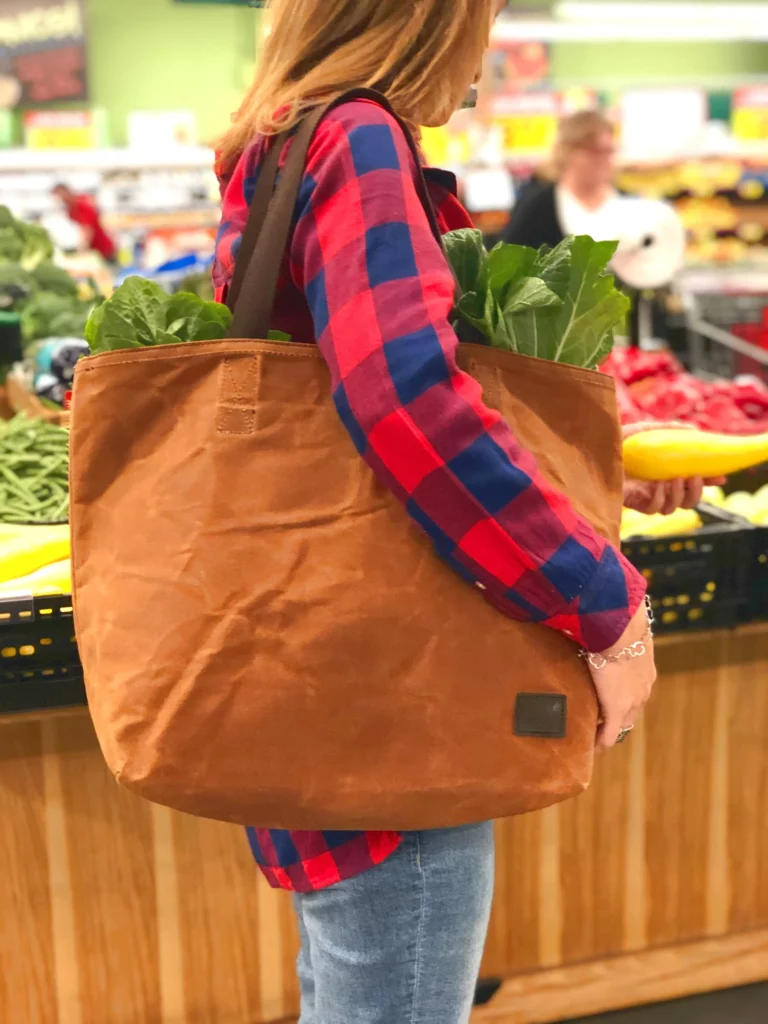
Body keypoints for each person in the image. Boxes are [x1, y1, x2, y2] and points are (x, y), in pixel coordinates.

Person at [214, 3, 704, 1021]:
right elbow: (404, 393)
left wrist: (589, 467)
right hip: (393, 703)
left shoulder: (284, 135)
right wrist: (605, 602)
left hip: (310, 668)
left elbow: (357, 384)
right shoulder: (360, 138)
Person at [502, 109, 621, 250]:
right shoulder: (537, 206)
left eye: (609, 151)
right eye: (594, 151)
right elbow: (509, 255)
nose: (603, 159)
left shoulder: (629, 203)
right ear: (568, 151)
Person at [52, 183, 117, 263]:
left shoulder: (81, 205)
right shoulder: (71, 208)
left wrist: (82, 249)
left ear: (66, 192)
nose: (60, 200)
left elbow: (87, 229)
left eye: (60, 196)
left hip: (102, 248)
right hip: (94, 248)